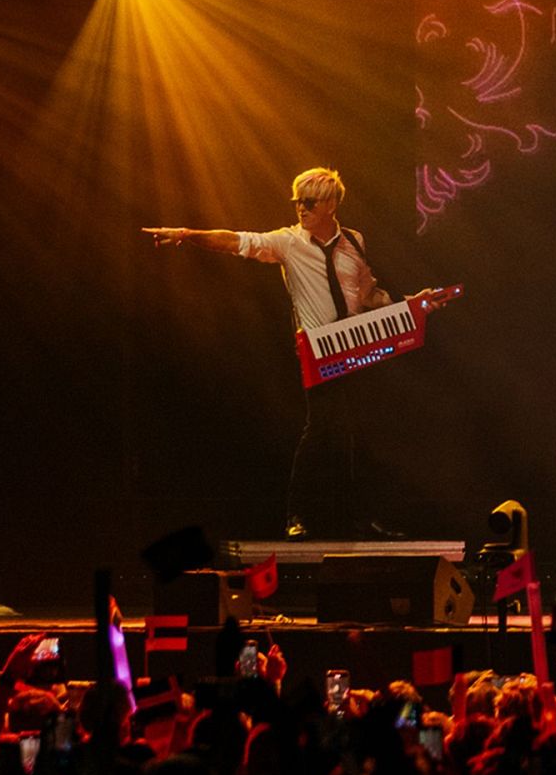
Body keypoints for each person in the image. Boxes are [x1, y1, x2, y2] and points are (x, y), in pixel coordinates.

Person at [143, 167, 454, 540]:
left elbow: (368, 295)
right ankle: (299, 514)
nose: (300, 208)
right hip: (319, 348)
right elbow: (236, 241)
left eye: (309, 202)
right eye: (297, 202)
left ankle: (355, 516)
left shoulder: (353, 241)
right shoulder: (288, 242)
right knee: (321, 428)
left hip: (356, 343)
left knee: (354, 433)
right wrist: (187, 234)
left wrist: (413, 304)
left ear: (330, 204)